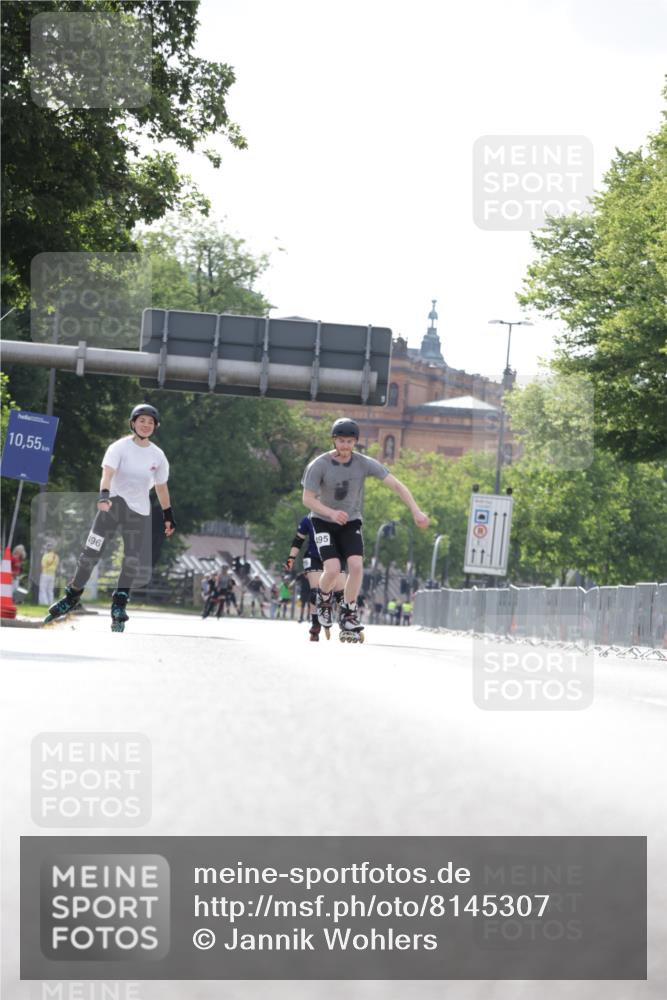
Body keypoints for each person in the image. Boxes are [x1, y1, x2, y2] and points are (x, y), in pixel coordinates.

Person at [44, 404, 175, 632]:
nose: (146, 425)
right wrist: (103, 496)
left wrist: (168, 515)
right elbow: (107, 474)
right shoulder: (119, 447)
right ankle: (72, 595)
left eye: (150, 422)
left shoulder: (158, 455)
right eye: (142, 420)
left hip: (139, 512)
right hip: (112, 506)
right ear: (133, 423)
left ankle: (120, 604)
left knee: (132, 559)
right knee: (90, 553)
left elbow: (161, 488)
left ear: (155, 427)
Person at [301, 417, 429, 639]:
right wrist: (330, 512)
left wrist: (416, 510)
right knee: (331, 570)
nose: (345, 446)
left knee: (357, 567)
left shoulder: (364, 463)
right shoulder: (319, 465)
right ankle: (323, 599)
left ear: (355, 442)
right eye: (341, 441)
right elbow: (307, 499)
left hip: (350, 521)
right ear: (334, 441)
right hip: (322, 521)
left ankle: (349, 613)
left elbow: (397, 485)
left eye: (349, 442)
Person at [284, 514, 347, 641]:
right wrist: (291, 558)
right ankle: (315, 625)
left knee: (341, 594)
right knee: (315, 592)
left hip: (335, 556)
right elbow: (298, 540)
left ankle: (345, 622)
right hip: (314, 557)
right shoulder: (308, 519)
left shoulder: (338, 515)